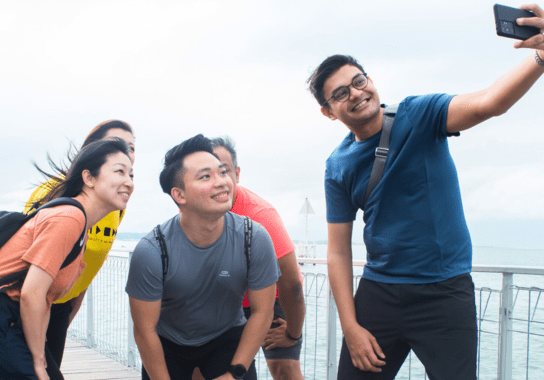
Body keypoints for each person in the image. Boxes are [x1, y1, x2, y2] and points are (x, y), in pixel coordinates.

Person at [306, 5, 544, 380]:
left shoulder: (421, 115)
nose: (356, 93)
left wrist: (540, 57)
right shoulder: (338, 164)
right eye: (339, 93)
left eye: (359, 80)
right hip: (379, 294)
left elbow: (490, 103)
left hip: (444, 295)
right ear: (328, 112)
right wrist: (351, 327)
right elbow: (337, 250)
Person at [126, 134, 280, 380]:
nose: (222, 182)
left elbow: (263, 312)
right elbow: (144, 331)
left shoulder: (254, 238)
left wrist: (235, 373)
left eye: (222, 172)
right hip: (169, 342)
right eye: (206, 176)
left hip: (226, 337)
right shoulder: (153, 251)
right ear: (179, 195)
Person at [0, 137, 134, 380]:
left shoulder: (79, 226)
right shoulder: (70, 218)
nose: (129, 182)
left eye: (131, 174)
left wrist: (42, 356)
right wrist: (39, 361)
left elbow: (46, 300)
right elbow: (32, 294)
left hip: (13, 320)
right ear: (89, 178)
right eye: (119, 171)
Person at [207, 136, 305, 380]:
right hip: (228, 301)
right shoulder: (193, 208)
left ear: (237, 174)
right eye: (205, 175)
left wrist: (292, 333)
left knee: (285, 369)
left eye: (224, 171)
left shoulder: (261, 215)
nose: (217, 182)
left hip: (273, 297)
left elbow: (291, 285)